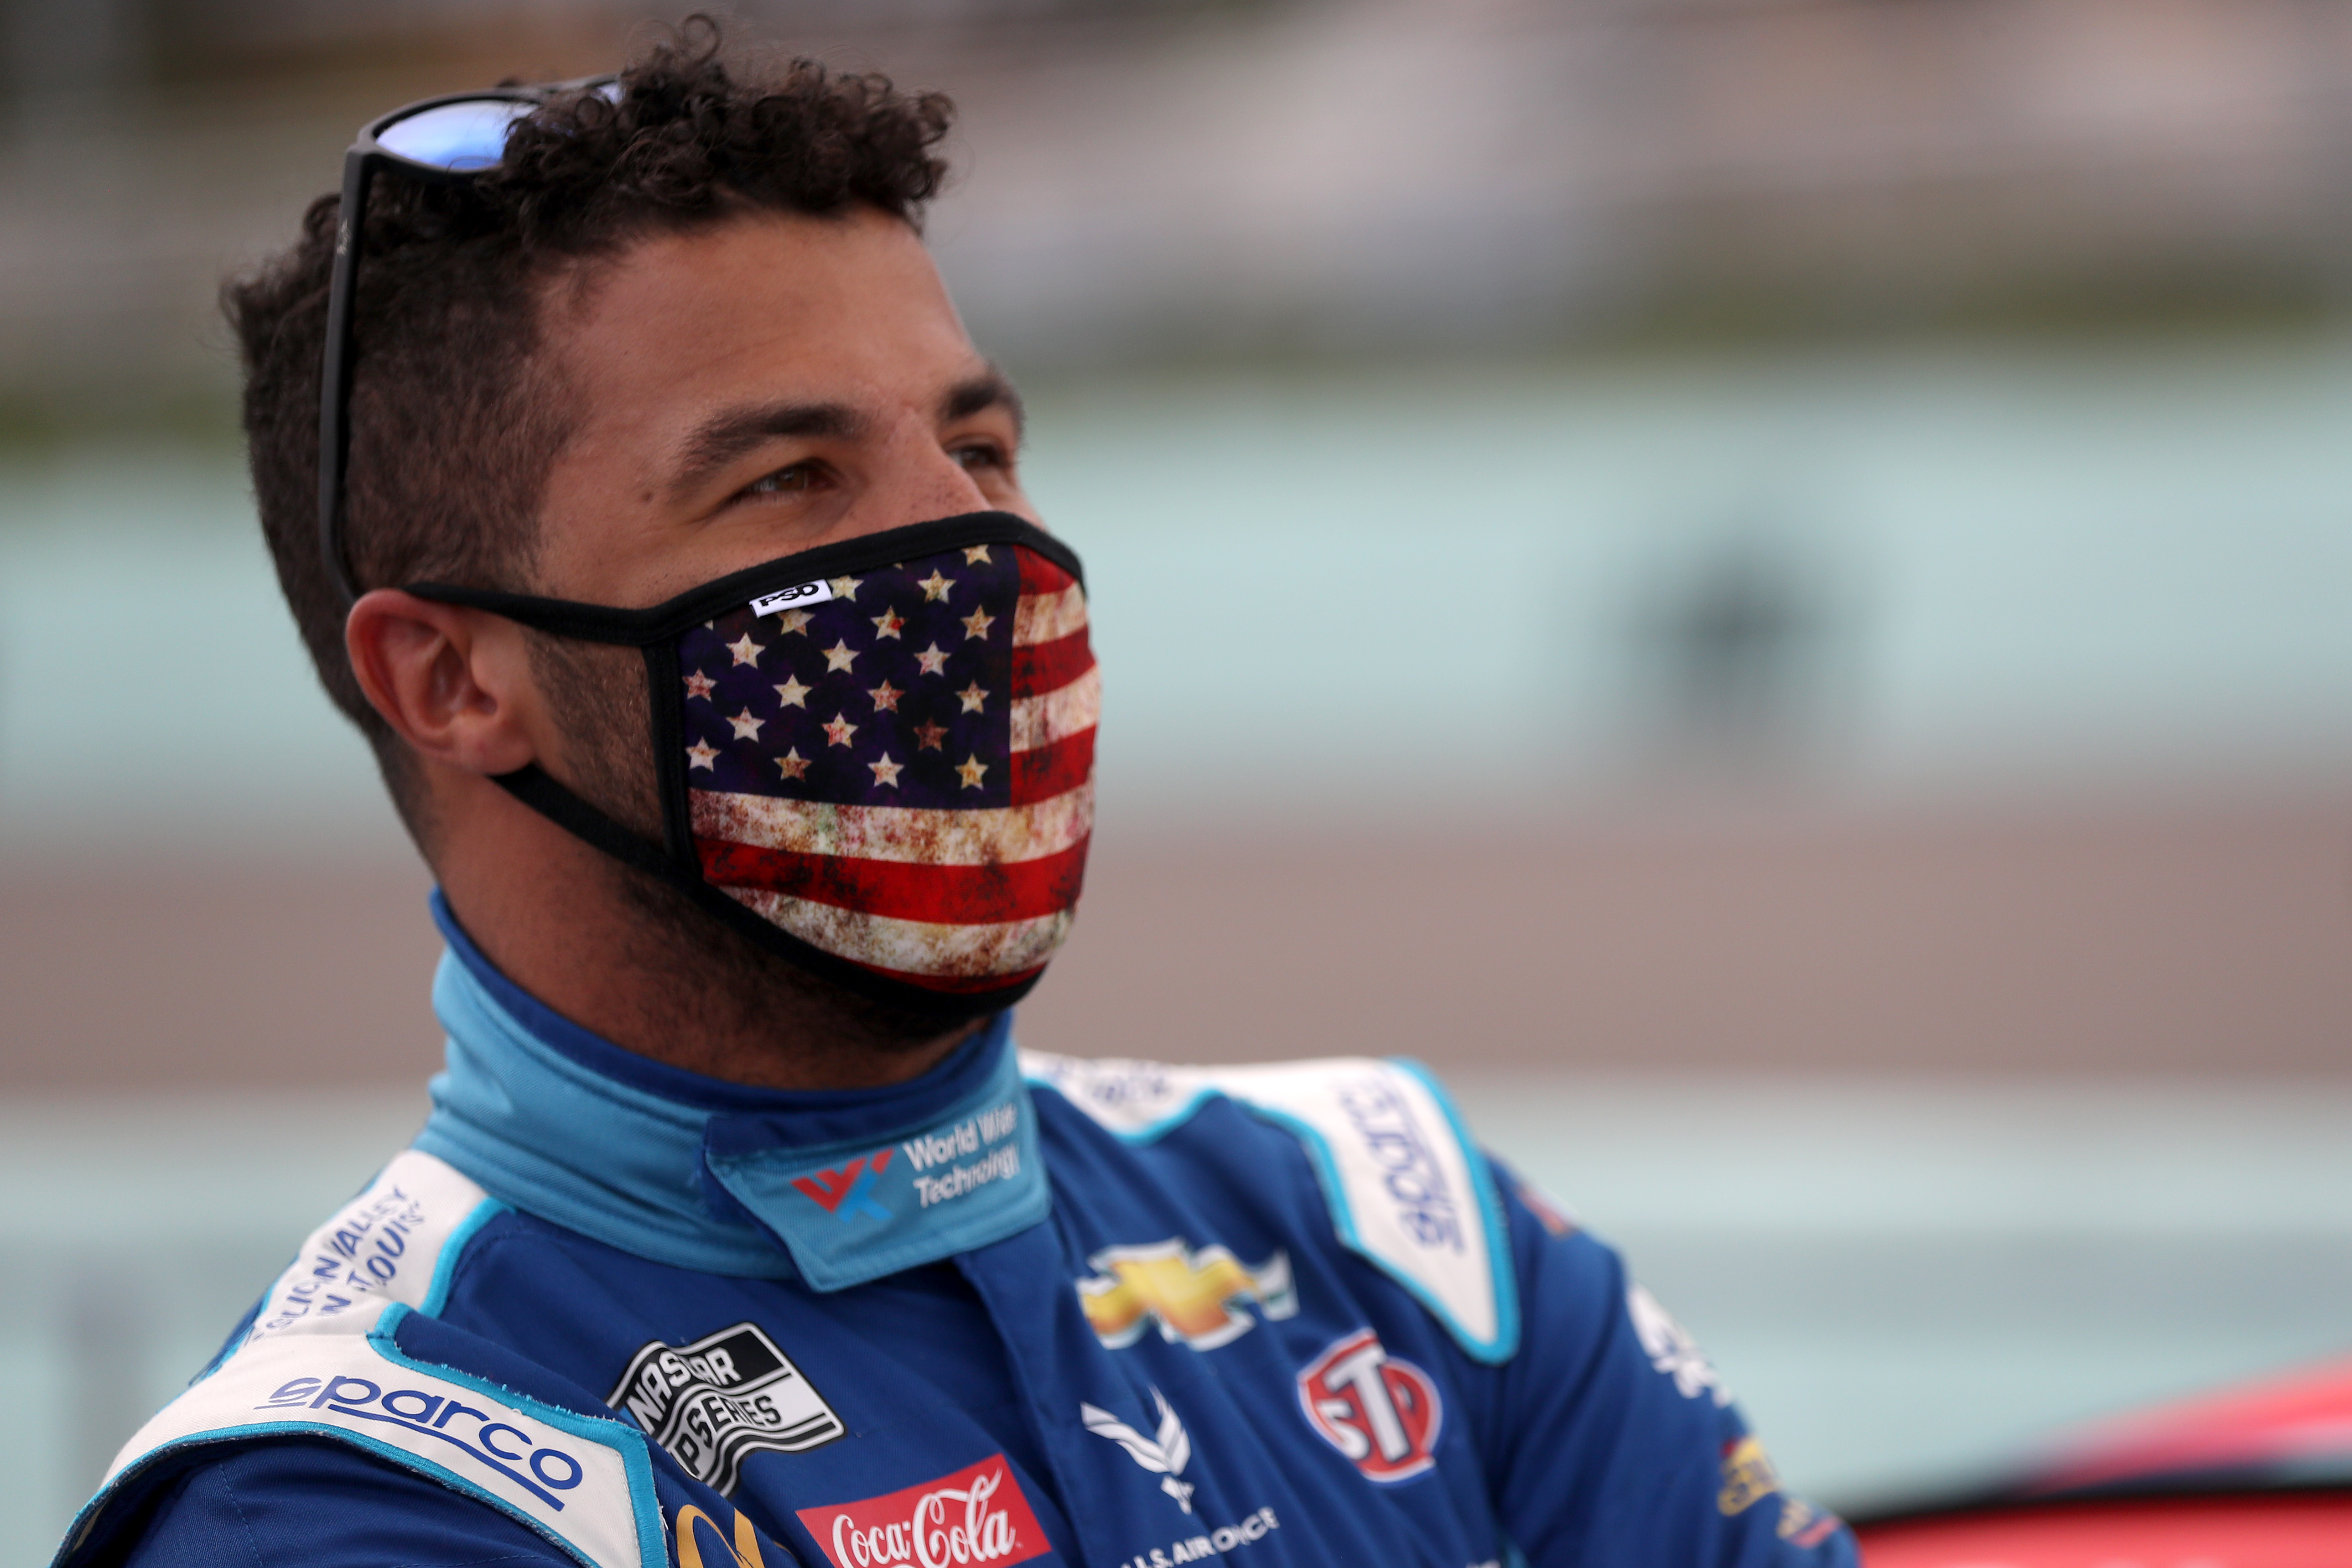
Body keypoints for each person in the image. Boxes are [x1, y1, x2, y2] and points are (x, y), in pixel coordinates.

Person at [56, 22, 1854, 1568]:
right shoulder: (358, 1490)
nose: (977, 552)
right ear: (452, 677)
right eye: (790, 478)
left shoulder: (1393, 1220)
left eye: (979, 446)